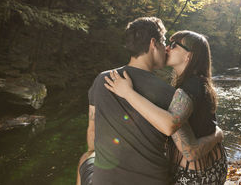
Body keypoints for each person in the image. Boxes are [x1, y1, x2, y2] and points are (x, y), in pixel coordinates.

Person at [76, 17, 223, 185]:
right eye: (165, 43)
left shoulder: (102, 79)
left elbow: (92, 132)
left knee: (86, 158)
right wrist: (218, 134)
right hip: (154, 179)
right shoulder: (170, 93)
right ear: (154, 44)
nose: (167, 48)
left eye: (173, 45)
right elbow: (179, 137)